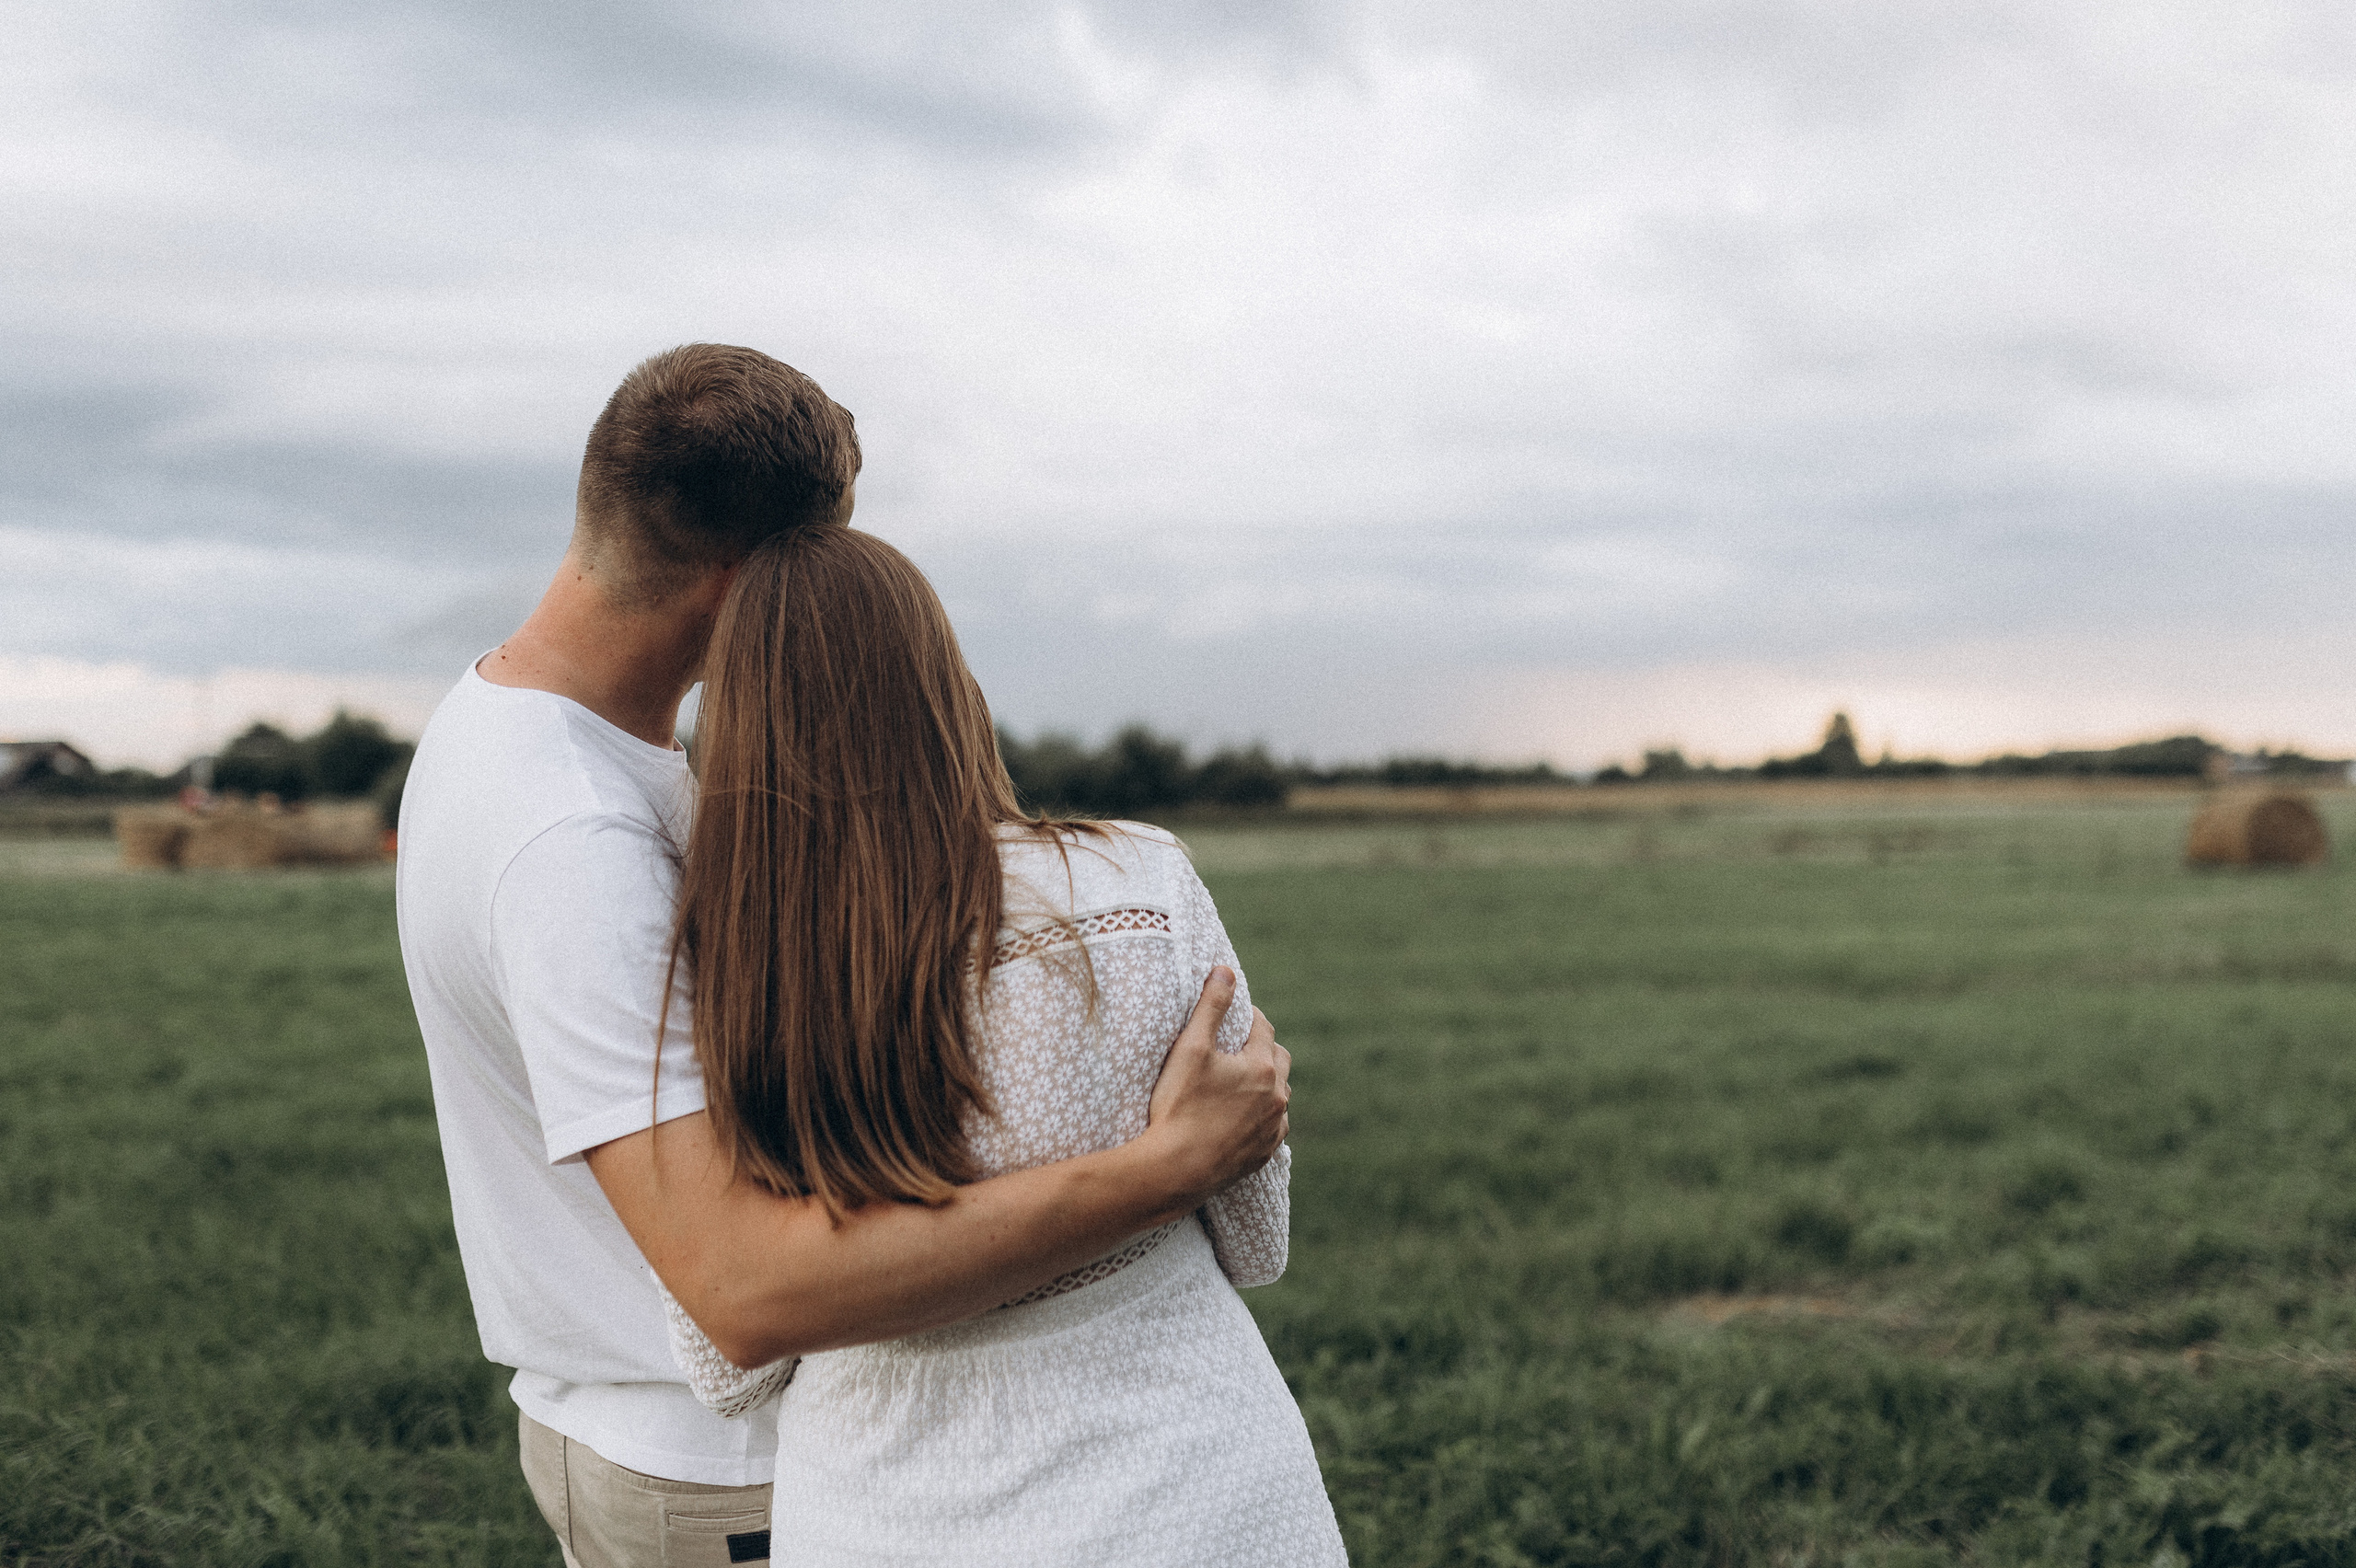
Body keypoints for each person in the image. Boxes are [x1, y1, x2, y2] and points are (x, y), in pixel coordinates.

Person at [395, 344, 1293, 1568]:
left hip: (707, 1443)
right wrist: (1166, 1167)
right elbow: (745, 1293)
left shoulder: (509, 727)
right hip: (723, 1478)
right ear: (754, 588)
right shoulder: (572, 837)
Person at [653, 525, 1348, 1564]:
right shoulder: (1142, 886)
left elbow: (726, 1366)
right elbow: (1258, 1243)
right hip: (1195, 1494)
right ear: (945, 686)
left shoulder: (726, 975)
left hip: (883, 1520)